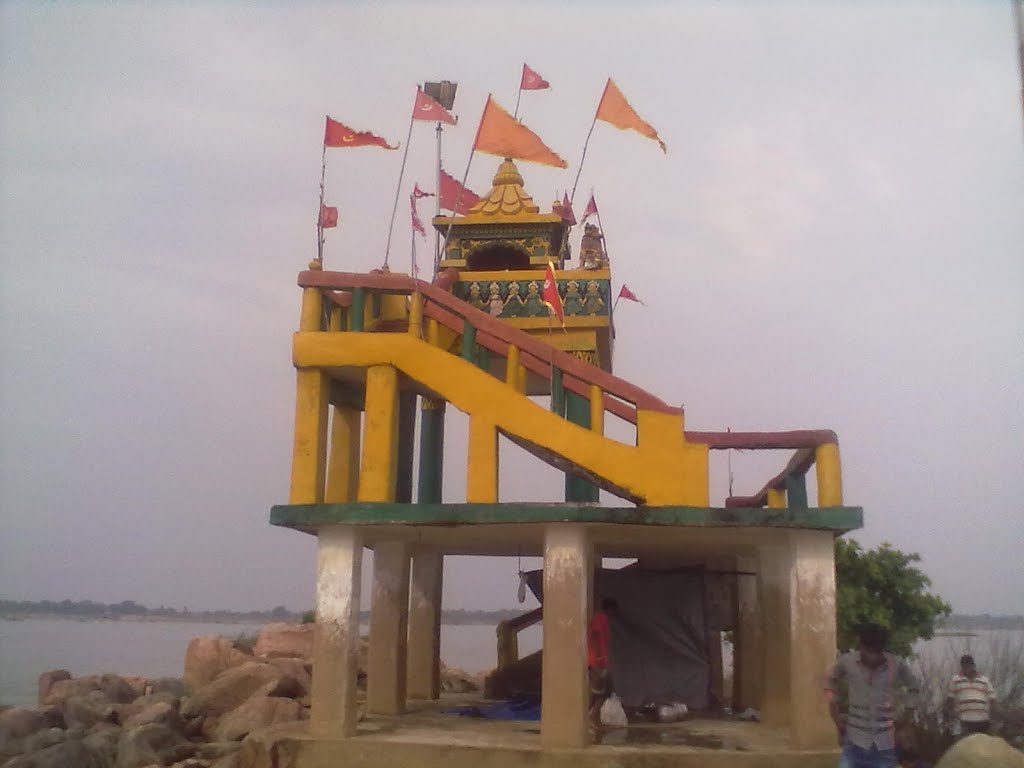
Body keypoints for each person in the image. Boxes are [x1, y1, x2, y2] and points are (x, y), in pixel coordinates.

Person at [825, 623, 920, 768]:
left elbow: (914, 687)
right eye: (869, 651)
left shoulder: (896, 664)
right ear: (861, 646)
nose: (873, 657)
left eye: (877, 652)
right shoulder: (847, 662)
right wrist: (834, 710)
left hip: (885, 745)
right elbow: (829, 680)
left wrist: (907, 714)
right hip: (853, 742)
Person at [944, 654, 996, 736]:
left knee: (981, 743)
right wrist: (951, 715)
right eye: (964, 666)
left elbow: (992, 699)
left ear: (973, 666)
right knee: (965, 742)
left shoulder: (984, 680)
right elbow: (950, 699)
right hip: (964, 720)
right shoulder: (955, 680)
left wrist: (996, 717)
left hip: (983, 720)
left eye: (968, 665)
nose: (966, 668)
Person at [588, 597, 617, 723]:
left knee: (597, 692)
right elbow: (594, 635)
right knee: (603, 693)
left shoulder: (601, 618)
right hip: (597, 662)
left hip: (597, 661)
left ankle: (590, 716)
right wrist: (598, 657)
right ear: (610, 609)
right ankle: (592, 717)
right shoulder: (601, 618)